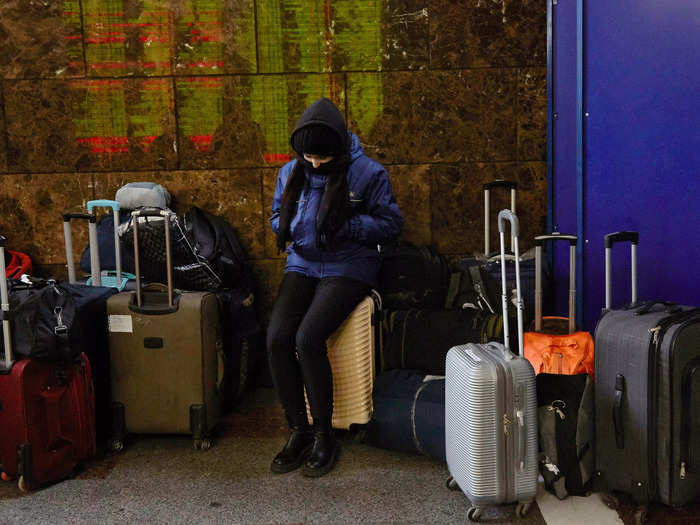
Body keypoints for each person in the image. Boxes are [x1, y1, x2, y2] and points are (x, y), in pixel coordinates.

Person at [267, 97, 403, 477]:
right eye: (307, 157)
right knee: (278, 337)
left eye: (321, 159)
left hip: (350, 264)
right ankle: (299, 431)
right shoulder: (290, 171)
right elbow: (278, 214)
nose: (313, 165)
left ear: (338, 149)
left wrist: (347, 226)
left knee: (308, 338)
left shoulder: (367, 173)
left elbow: (391, 224)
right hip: (303, 262)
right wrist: (290, 227)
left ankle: (324, 436)